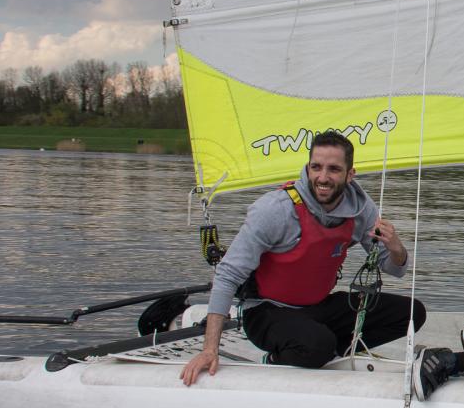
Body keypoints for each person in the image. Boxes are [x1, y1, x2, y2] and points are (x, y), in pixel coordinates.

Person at [180, 130, 425, 385]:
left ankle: (328, 351)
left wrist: (396, 248)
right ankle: (280, 359)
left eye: (333, 169)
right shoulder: (275, 209)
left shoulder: (360, 209)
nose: (323, 177)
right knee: (317, 344)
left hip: (317, 307)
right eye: (316, 167)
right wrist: (210, 350)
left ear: (350, 174)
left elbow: (395, 269)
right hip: (266, 311)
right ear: (308, 168)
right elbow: (227, 275)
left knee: (412, 313)